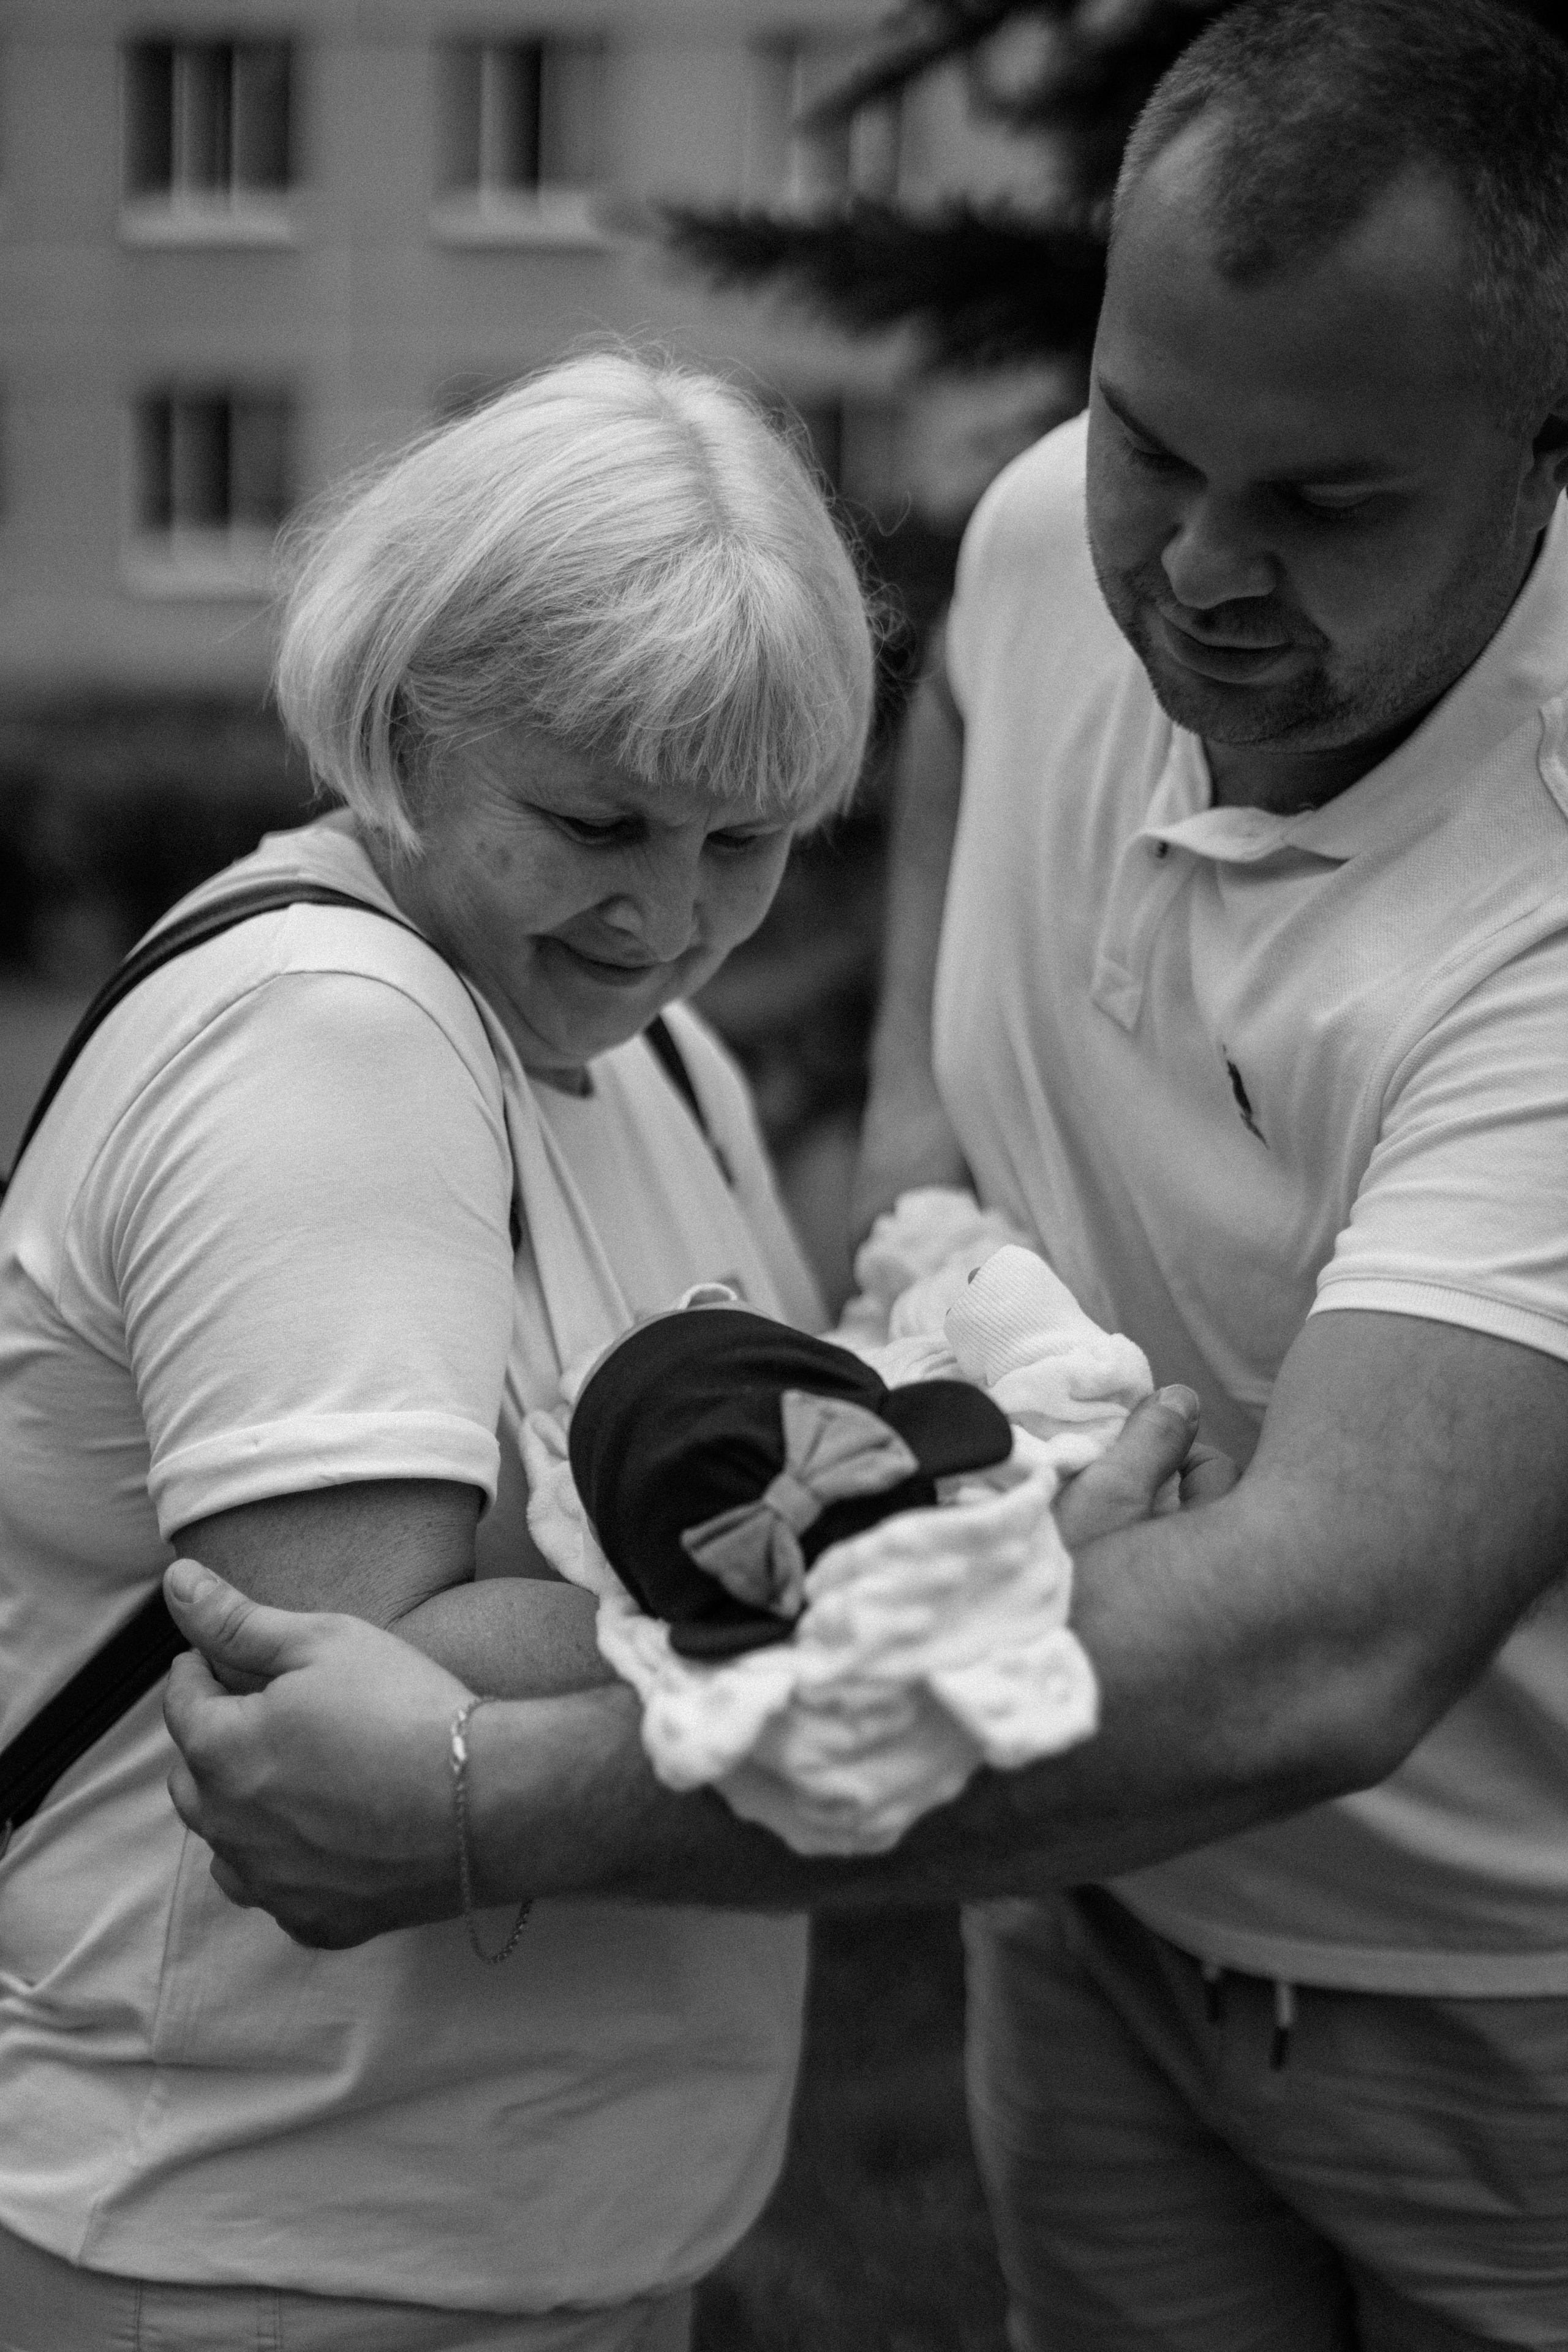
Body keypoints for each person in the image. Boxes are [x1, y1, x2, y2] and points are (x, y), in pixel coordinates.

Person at [157, 2, 1568, 2345]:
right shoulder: (1042, 551)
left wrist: (496, 1803)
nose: (1198, 571)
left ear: (1542, 455)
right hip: (1083, 1913)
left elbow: (1334, 1644)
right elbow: (952, 928)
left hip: (1494, 1999)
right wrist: (943, 1312)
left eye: (1325, 505)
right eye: (1148, 441)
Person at [0, 351, 878, 2350]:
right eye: (598, 818)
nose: (667, 916)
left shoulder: (652, 1055)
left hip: (514, 2246)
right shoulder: (338, 1035)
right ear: (402, 729)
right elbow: (352, 1676)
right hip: (264, 2254)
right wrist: (943, 1574)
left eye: (745, 844)